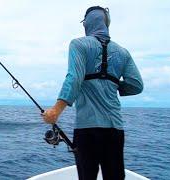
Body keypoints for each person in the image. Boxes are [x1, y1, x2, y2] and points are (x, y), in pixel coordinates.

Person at [42, 6, 143, 180]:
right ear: (106, 23)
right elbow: (136, 85)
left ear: (87, 23)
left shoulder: (79, 44)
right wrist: (113, 83)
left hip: (87, 129)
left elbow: (74, 78)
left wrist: (56, 111)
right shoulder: (123, 52)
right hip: (115, 129)